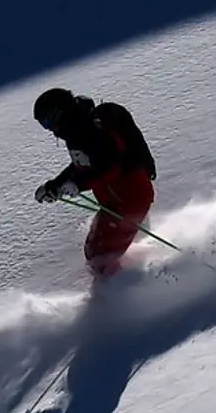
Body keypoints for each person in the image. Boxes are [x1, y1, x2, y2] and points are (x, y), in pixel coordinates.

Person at [31, 87, 158, 280]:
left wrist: (78, 185)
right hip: (114, 203)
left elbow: (111, 166)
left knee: (100, 256)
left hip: (130, 199)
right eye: (43, 125)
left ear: (59, 113)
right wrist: (55, 186)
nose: (50, 130)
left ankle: (133, 293)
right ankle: (119, 286)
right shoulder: (76, 131)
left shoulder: (90, 130)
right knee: (95, 253)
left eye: (47, 122)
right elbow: (80, 165)